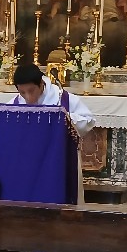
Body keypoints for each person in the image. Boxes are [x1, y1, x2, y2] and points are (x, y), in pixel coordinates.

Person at [11, 62, 95, 204]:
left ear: (41, 84)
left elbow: (88, 121)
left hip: (58, 160)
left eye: (31, 91)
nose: (28, 98)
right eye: (22, 92)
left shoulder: (63, 99)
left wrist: (65, 118)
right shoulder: (15, 104)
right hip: (29, 163)